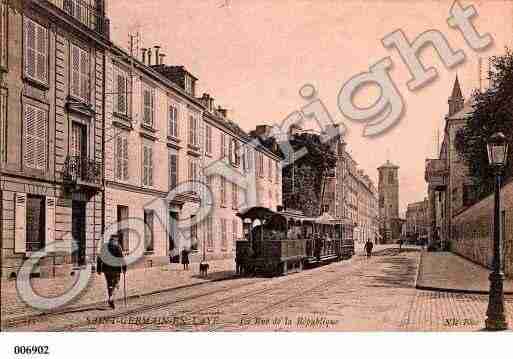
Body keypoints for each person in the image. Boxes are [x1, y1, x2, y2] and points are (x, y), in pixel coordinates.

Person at [97, 235, 126, 309]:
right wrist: (124, 268)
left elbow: (99, 258)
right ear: (115, 240)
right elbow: (121, 258)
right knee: (116, 283)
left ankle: (110, 296)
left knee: (109, 283)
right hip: (115, 269)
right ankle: (111, 297)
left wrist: (99, 269)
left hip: (106, 269)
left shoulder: (104, 247)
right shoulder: (118, 247)